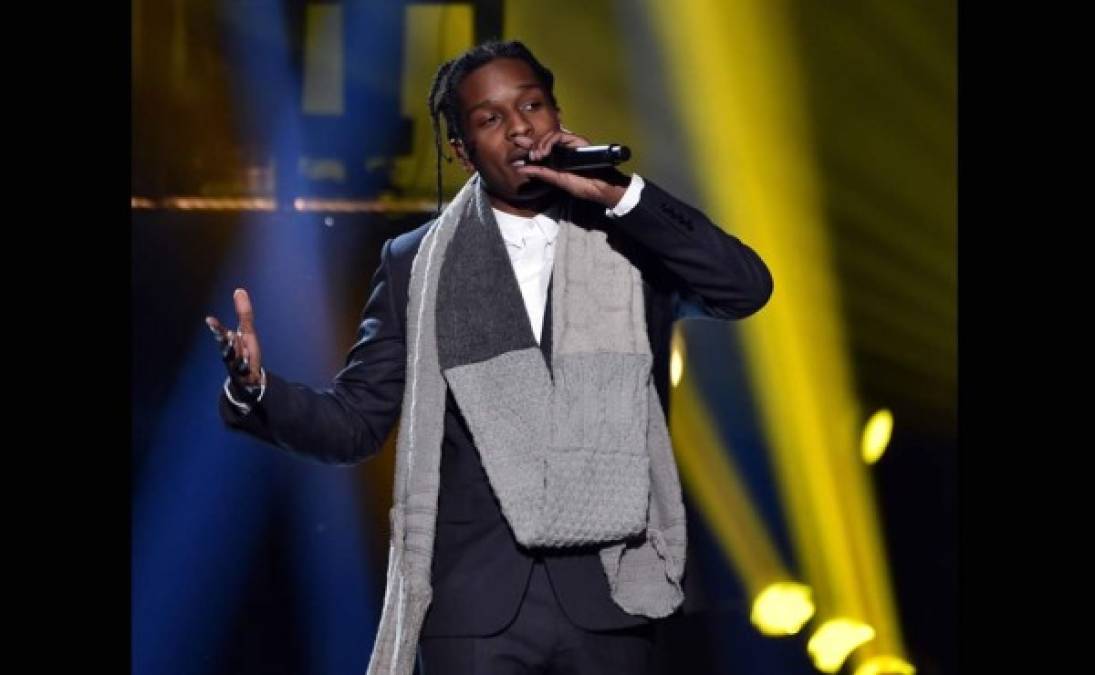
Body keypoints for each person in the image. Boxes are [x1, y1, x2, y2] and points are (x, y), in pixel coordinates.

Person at [206, 40, 772, 675]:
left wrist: (621, 197)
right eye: (490, 118)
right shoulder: (415, 262)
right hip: (476, 609)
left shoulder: (630, 240)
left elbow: (744, 289)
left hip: (612, 598)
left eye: (532, 104)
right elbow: (356, 423)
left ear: (558, 115)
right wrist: (257, 388)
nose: (521, 127)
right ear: (461, 150)